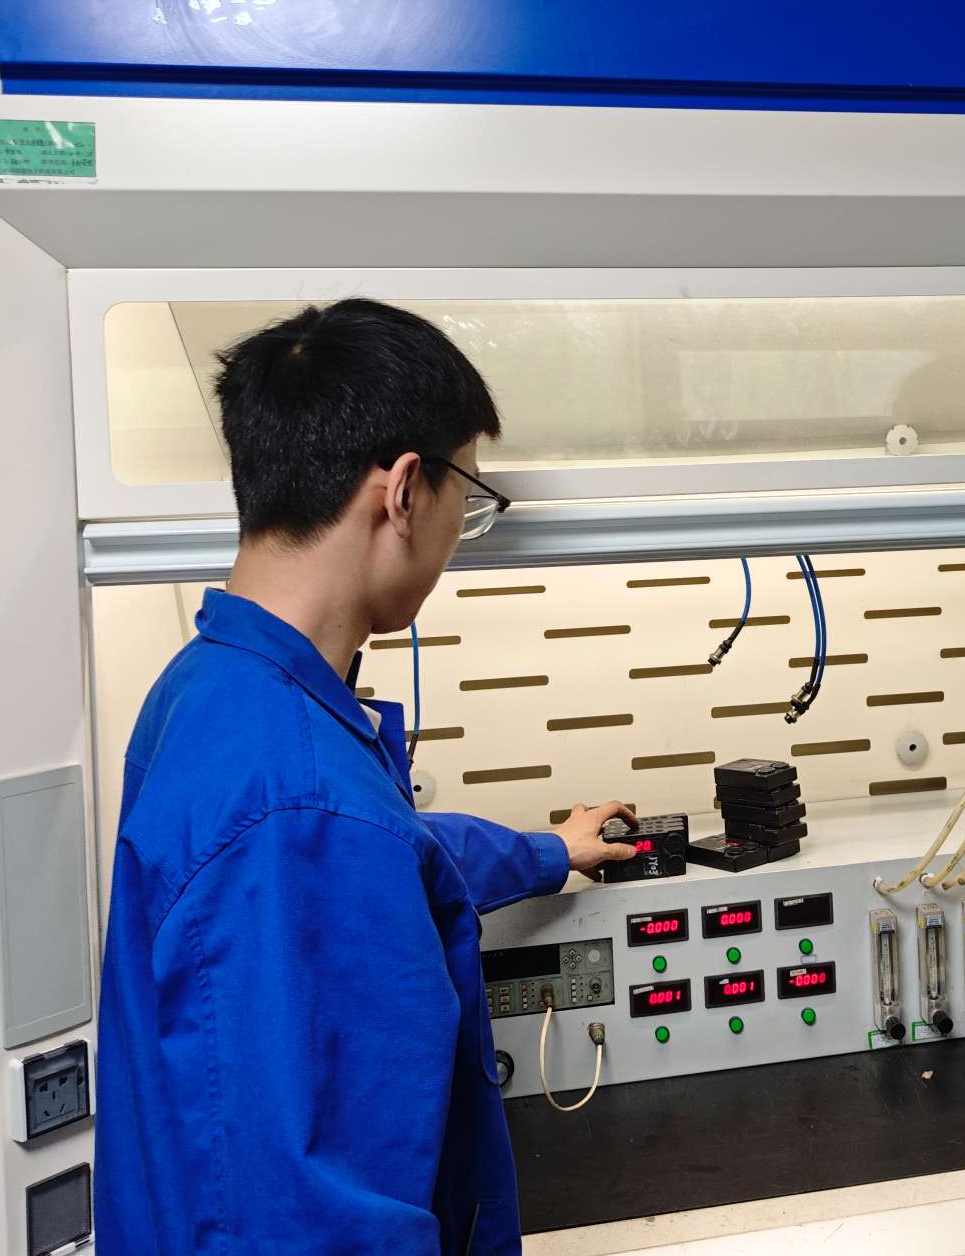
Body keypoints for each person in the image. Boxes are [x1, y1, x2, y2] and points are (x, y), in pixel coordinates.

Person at [96, 298, 637, 1255]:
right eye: (469, 497)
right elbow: (319, 1222)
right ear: (404, 491)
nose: (460, 531)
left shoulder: (215, 690)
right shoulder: (299, 801)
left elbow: (397, 854)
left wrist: (551, 850)